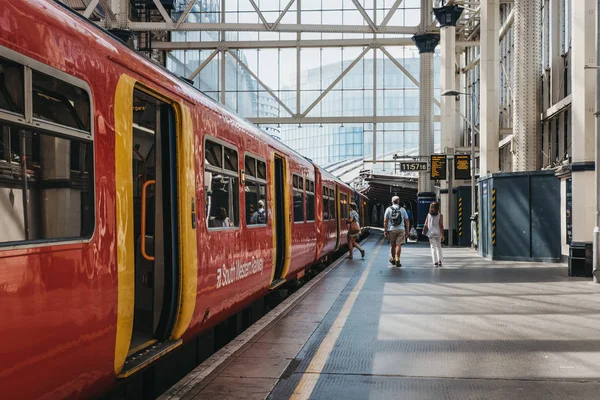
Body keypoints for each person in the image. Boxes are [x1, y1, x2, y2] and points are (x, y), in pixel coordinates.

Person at [384, 196, 410, 267]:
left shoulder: (388, 209)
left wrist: (385, 230)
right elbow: (407, 220)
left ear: (392, 201)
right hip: (401, 229)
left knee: (393, 245)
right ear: (398, 201)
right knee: (398, 245)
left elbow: (385, 221)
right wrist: (407, 230)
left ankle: (393, 259)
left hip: (391, 229)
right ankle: (397, 259)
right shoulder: (403, 209)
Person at [424, 201, 444, 267]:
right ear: (438, 207)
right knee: (439, 247)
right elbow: (441, 225)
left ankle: (435, 261)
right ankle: (440, 261)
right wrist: (443, 235)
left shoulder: (428, 215)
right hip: (438, 233)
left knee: (433, 247)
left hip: (431, 233)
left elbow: (426, 224)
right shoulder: (440, 215)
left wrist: (425, 231)